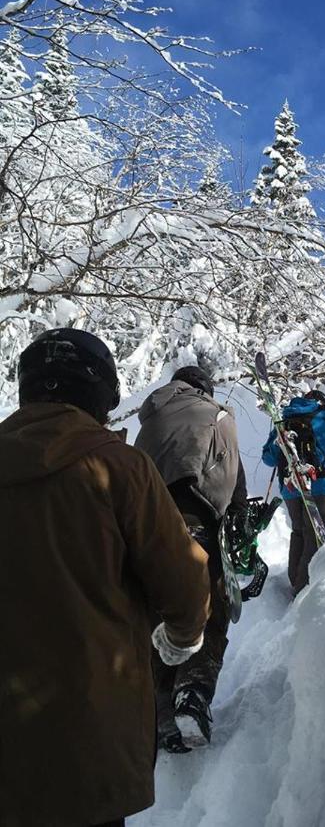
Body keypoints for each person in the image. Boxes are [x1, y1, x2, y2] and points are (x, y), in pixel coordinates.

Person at [0, 329, 210, 827]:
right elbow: (182, 580)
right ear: (102, 395)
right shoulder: (121, 468)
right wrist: (183, 636)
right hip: (89, 732)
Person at [135, 365, 247, 753]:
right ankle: (192, 694)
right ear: (205, 388)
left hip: (145, 528)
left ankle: (160, 711)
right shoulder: (217, 416)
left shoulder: (150, 417)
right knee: (207, 608)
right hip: (197, 523)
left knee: (156, 614)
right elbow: (234, 482)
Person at [262, 389, 325, 596]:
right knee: (314, 536)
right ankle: (303, 590)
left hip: (290, 487)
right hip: (318, 486)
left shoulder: (283, 422)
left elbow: (268, 458)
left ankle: (295, 581)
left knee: (298, 531)